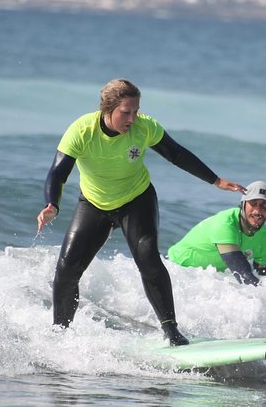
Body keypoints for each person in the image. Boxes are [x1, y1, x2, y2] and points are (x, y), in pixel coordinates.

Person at [36, 78, 245, 346]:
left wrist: (215, 180)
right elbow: (58, 173)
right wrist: (52, 204)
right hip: (94, 204)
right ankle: (59, 335)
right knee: (66, 269)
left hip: (136, 200)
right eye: (126, 112)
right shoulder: (82, 130)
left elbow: (176, 153)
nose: (133, 118)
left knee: (147, 257)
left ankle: (172, 332)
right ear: (107, 109)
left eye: (135, 111)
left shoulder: (144, 127)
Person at [168, 181, 266, 286]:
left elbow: (263, 276)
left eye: (264, 206)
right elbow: (245, 277)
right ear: (243, 204)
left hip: (209, 279)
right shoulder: (225, 223)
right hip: (177, 272)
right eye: (253, 203)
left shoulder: (265, 239)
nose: (258, 211)